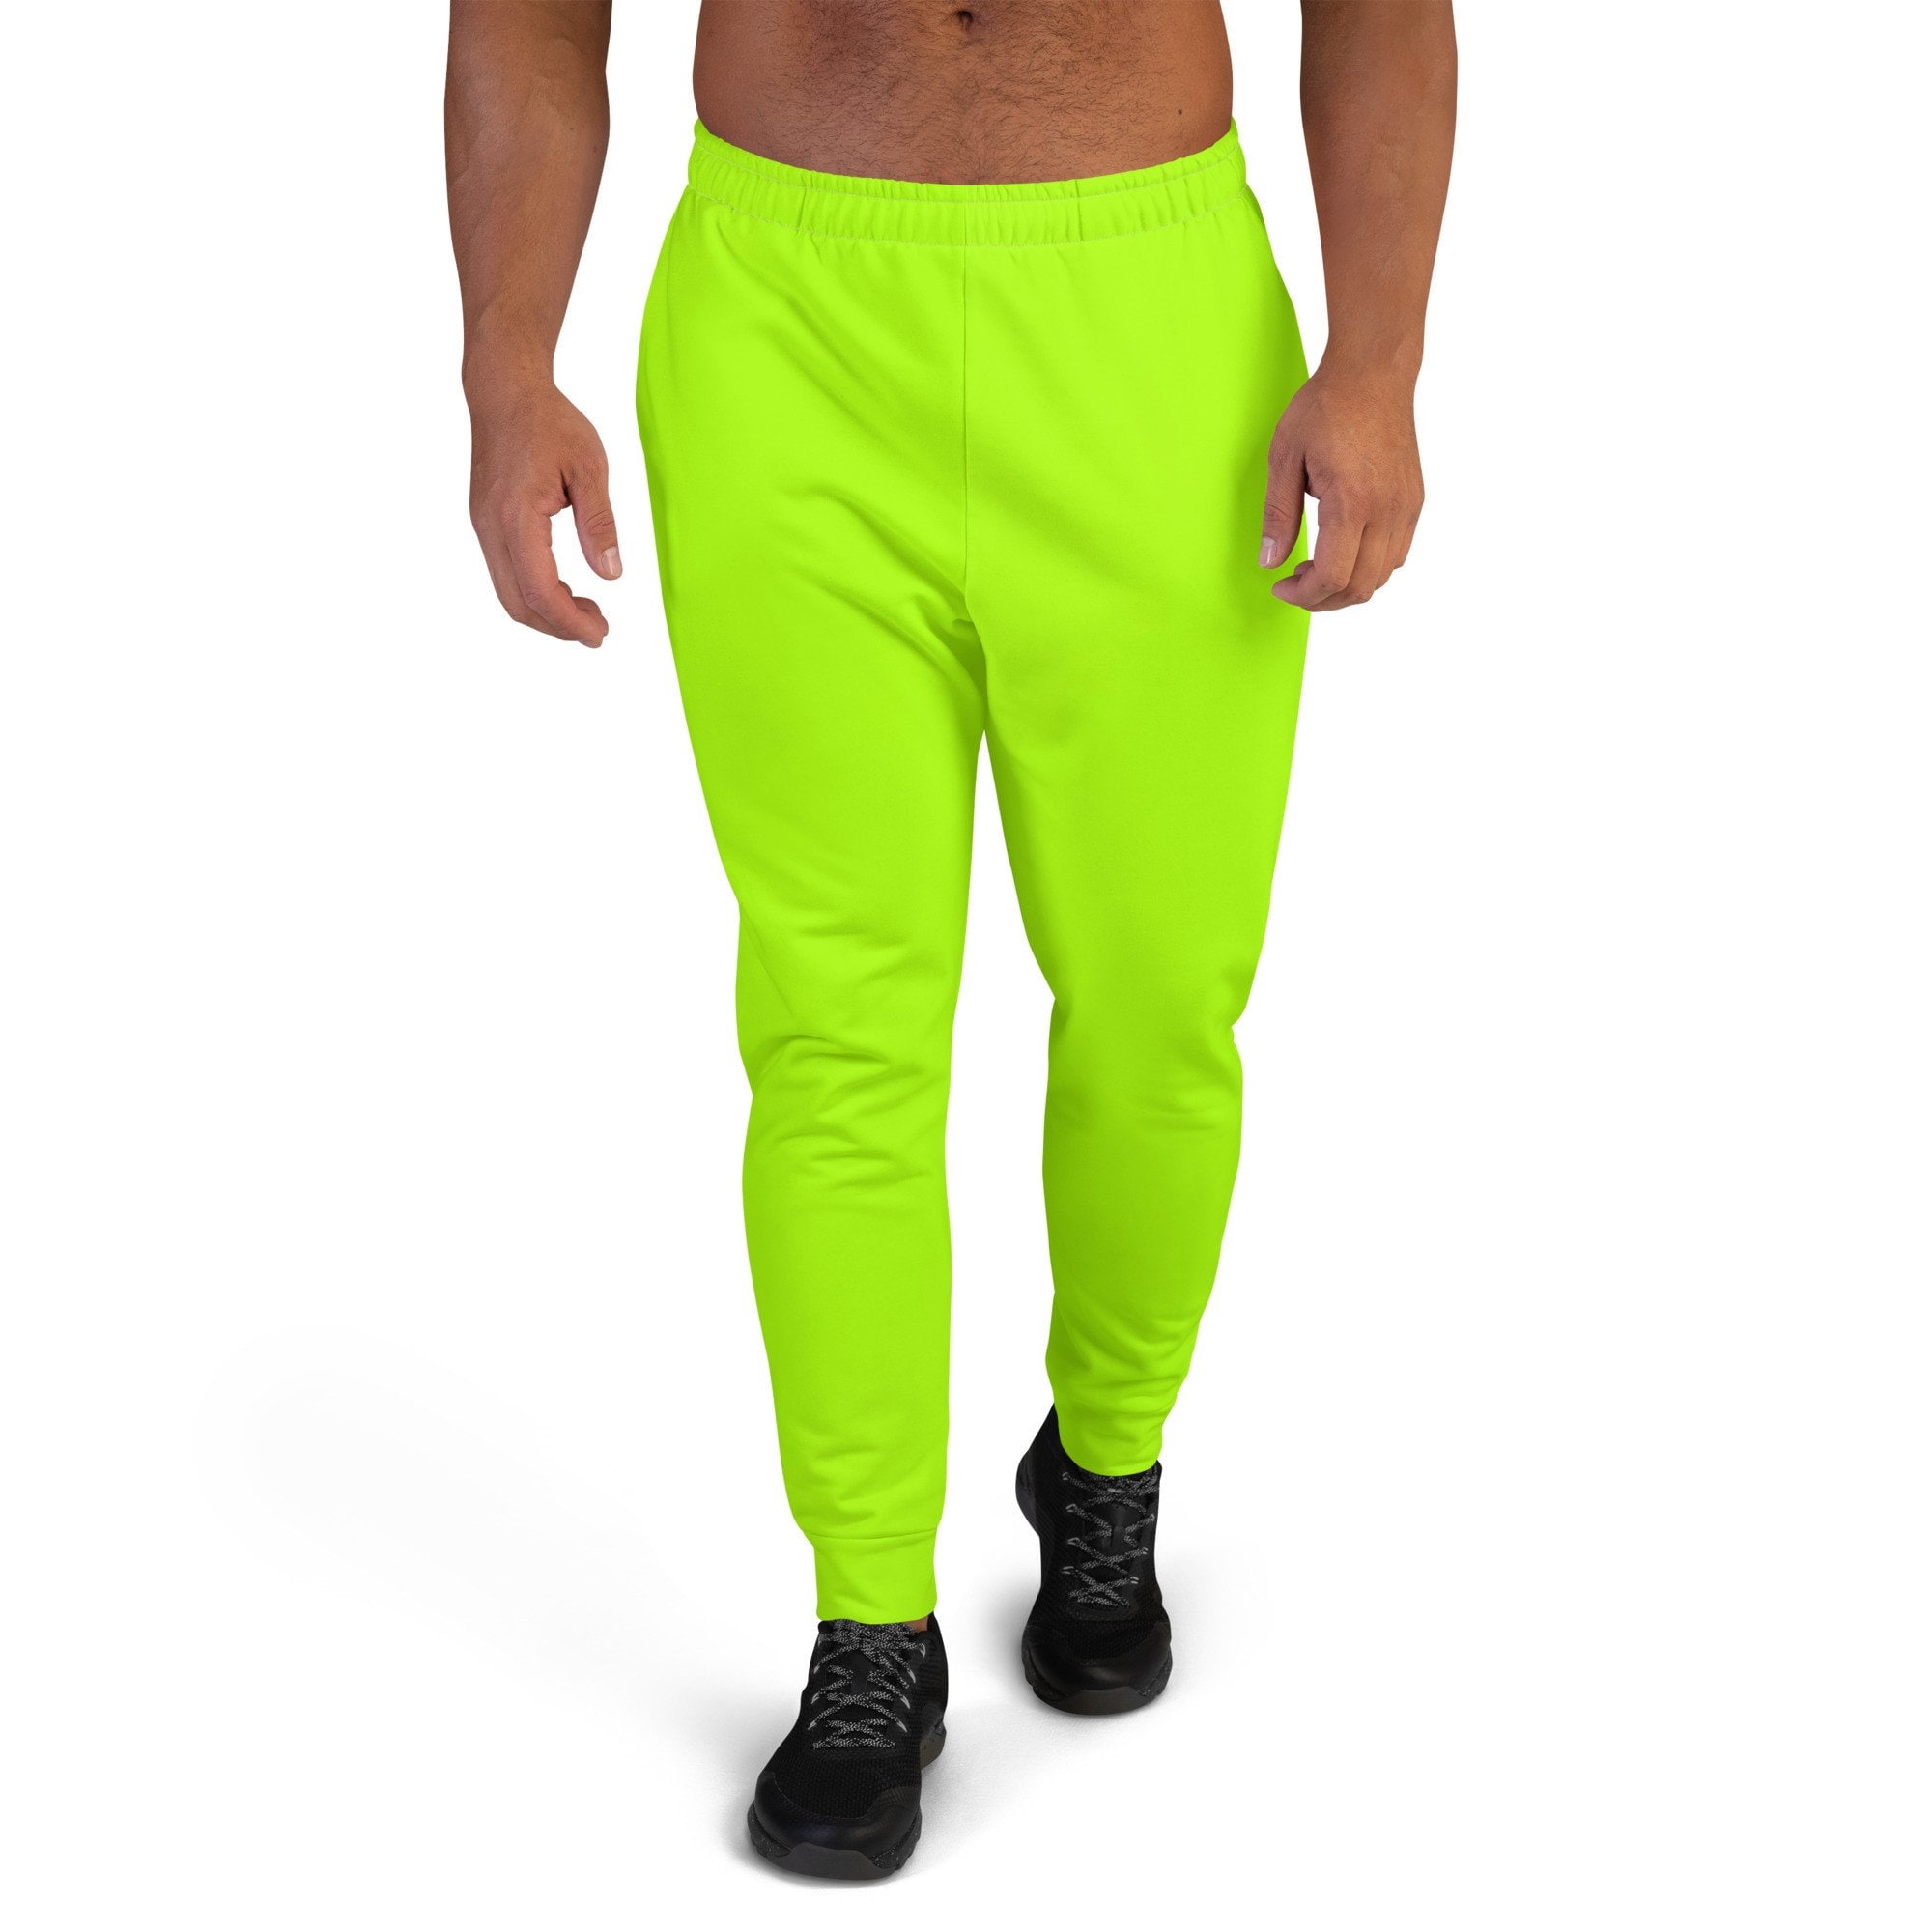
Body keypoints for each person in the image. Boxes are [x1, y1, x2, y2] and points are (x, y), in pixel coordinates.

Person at [445, 0, 1454, 1879]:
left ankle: (1106, 1456)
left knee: (1159, 999)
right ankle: (870, 1621)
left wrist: (1377, 357)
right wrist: (509, 364)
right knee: (837, 1028)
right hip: (785, 326)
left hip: (1150, 320)